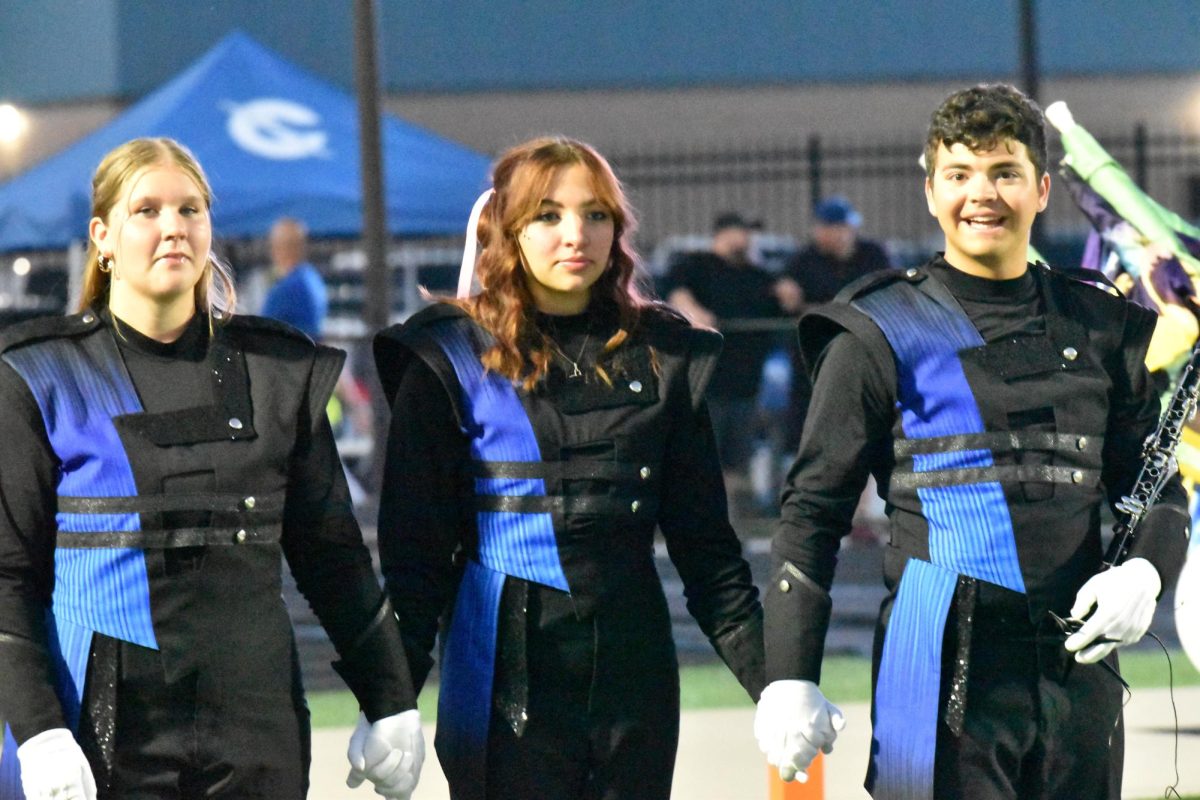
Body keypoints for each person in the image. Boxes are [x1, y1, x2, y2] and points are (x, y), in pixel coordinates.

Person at [755, 84, 1191, 799]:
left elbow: (1156, 490)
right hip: (934, 672)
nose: (981, 193)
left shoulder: (1102, 327)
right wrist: (788, 676)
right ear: (930, 192)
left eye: (1004, 172)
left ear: (1043, 188)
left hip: (1078, 673)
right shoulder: (879, 328)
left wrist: (1145, 573)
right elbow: (812, 512)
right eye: (959, 174)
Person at [0, 138, 422, 800]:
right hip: (100, 740)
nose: (174, 226)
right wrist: (39, 731)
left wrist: (390, 696)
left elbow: (333, 556)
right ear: (102, 237)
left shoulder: (276, 372)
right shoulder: (40, 375)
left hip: (257, 737)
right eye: (147, 209)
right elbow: (6, 576)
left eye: (190, 209)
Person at [373, 136, 764, 800]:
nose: (575, 234)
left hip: (634, 686)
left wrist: (777, 681)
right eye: (547, 215)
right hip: (502, 687)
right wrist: (389, 698)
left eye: (596, 214)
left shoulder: (665, 355)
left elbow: (707, 551)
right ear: (507, 230)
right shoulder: (448, 358)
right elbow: (414, 559)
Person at [664, 212, 790, 505]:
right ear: (724, 233)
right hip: (705, 382)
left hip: (745, 384)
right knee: (703, 456)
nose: (746, 239)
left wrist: (788, 295)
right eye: (741, 232)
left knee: (736, 460)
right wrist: (692, 311)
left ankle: (727, 517)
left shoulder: (758, 277)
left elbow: (781, 306)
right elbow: (675, 291)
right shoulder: (697, 266)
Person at [780, 196, 893, 455]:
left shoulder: (872, 255)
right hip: (815, 358)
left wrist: (824, 310)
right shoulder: (804, 260)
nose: (843, 235)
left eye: (845, 228)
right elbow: (787, 298)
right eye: (835, 228)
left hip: (862, 350)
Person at [261, 217, 328, 340]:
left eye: (273, 246)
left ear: (281, 249)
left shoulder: (285, 289)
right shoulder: (313, 278)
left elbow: (261, 334)